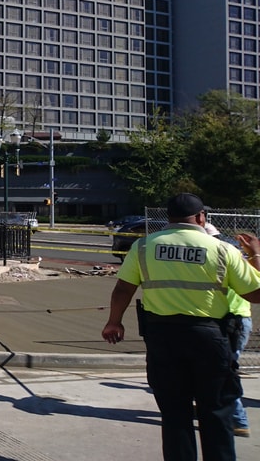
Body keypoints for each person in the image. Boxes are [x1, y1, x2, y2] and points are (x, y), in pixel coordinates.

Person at [101, 193, 260, 461]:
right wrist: (256, 255)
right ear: (200, 218)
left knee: (175, 414)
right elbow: (255, 294)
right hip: (209, 338)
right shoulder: (222, 249)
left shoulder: (143, 247)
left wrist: (113, 322)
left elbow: (122, 289)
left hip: (163, 338)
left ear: (169, 217)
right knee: (216, 411)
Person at [208, 222, 256, 438]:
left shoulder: (225, 257)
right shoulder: (231, 255)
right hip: (230, 319)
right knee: (213, 369)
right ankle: (207, 406)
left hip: (233, 320)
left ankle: (238, 420)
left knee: (224, 371)